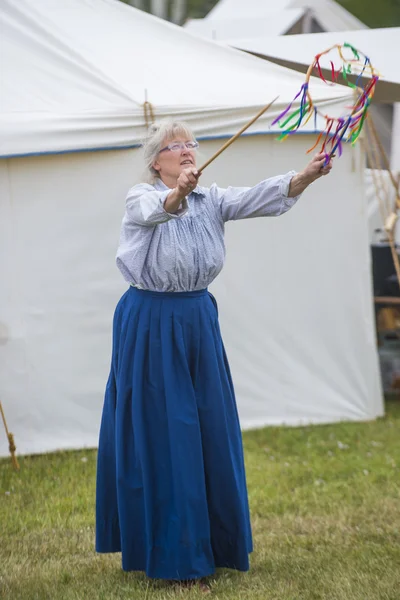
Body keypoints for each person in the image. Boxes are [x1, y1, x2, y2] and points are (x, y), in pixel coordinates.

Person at [95, 119, 332, 589]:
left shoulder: (213, 199)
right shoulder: (139, 196)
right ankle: (178, 560)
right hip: (151, 325)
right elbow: (158, 210)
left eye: (190, 144)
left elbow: (259, 197)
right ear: (155, 160)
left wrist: (305, 176)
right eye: (174, 146)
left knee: (208, 430)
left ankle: (214, 546)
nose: (186, 151)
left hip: (199, 321)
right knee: (169, 435)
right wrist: (177, 193)